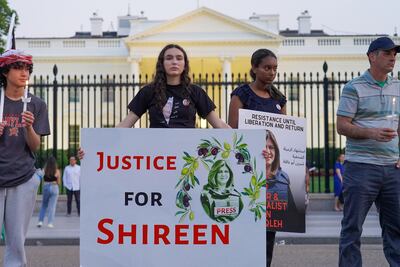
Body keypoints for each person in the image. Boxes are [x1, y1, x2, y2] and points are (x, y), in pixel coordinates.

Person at [337, 36, 400, 267]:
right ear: (372, 56)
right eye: (387, 53)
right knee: (352, 227)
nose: (393, 57)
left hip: (393, 169)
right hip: (361, 167)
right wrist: (372, 133)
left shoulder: (398, 87)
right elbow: (342, 125)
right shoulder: (354, 87)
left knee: (396, 228)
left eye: (395, 53)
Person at [228, 48, 287, 267]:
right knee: (244, 228)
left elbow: (284, 136)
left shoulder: (279, 99)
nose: (271, 73)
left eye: (274, 69)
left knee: (267, 233)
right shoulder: (241, 94)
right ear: (254, 68)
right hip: (246, 170)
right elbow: (232, 131)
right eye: (266, 68)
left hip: (270, 175)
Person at [0, 49, 50, 266]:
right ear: (5, 71)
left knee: (16, 243)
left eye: (27, 68)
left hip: (22, 177)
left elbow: (35, 146)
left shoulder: (36, 104)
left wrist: (29, 127)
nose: (24, 73)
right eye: (18, 67)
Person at [117, 43, 230, 129]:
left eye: (179, 58)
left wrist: (242, 138)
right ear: (162, 63)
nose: (174, 62)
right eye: (169, 58)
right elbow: (126, 124)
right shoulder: (148, 91)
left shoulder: (196, 92)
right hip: (157, 153)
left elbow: (219, 124)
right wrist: (105, 138)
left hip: (188, 154)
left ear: (184, 64)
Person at [263, 130, 301, 231]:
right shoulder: (246, 177)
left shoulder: (283, 179)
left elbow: (293, 214)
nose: (267, 151)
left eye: (271, 147)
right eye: (263, 147)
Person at [37, 157, 61, 228]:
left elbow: (40, 178)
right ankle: (50, 223)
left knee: (44, 205)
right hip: (54, 187)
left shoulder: (45, 170)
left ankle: (40, 222)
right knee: (52, 206)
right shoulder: (57, 171)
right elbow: (58, 182)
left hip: (46, 186)